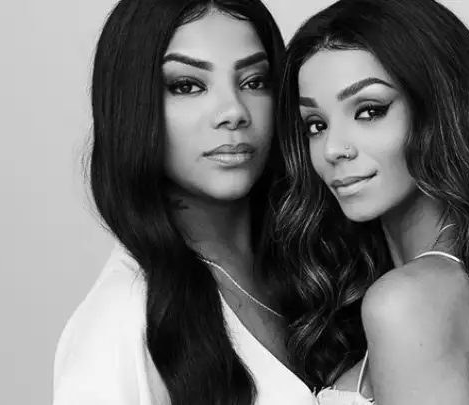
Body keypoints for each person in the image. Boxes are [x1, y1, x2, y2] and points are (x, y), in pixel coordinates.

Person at [265, 0, 469, 404]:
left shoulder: (408, 304)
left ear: (437, 112)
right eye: (316, 125)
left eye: (369, 111)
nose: (333, 148)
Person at [52, 1, 314, 404]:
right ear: (133, 107)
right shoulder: (119, 322)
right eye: (187, 85)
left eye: (254, 81)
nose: (233, 112)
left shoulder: (320, 267)